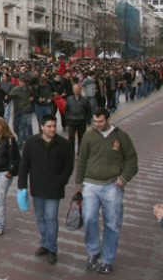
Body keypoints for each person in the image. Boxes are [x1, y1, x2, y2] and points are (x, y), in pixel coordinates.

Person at [75, 108, 138, 275]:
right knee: (88, 218)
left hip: (112, 185)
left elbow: (132, 159)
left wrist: (123, 178)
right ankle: (94, 251)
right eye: (94, 122)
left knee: (112, 223)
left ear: (108, 119)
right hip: (90, 183)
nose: (97, 125)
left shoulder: (121, 136)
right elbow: (82, 159)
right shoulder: (88, 135)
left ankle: (108, 259)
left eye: (101, 121)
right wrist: (78, 182)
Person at [18, 114, 74, 265]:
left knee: (51, 218)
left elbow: (69, 166)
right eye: (49, 126)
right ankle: (44, 243)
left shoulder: (64, 144)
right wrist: (21, 185)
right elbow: (24, 166)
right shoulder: (31, 143)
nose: (53, 129)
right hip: (37, 187)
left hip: (54, 189)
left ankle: (52, 248)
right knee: (41, 217)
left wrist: (62, 181)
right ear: (42, 127)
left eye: (54, 126)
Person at [65, 83, 92, 154]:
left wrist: (86, 119)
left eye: (77, 89)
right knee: (71, 138)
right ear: (73, 90)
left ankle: (80, 153)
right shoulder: (69, 99)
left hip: (81, 121)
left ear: (80, 90)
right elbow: (66, 110)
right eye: (75, 89)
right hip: (71, 121)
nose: (76, 90)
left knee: (82, 138)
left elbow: (89, 111)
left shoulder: (85, 100)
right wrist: (67, 118)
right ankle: (71, 153)